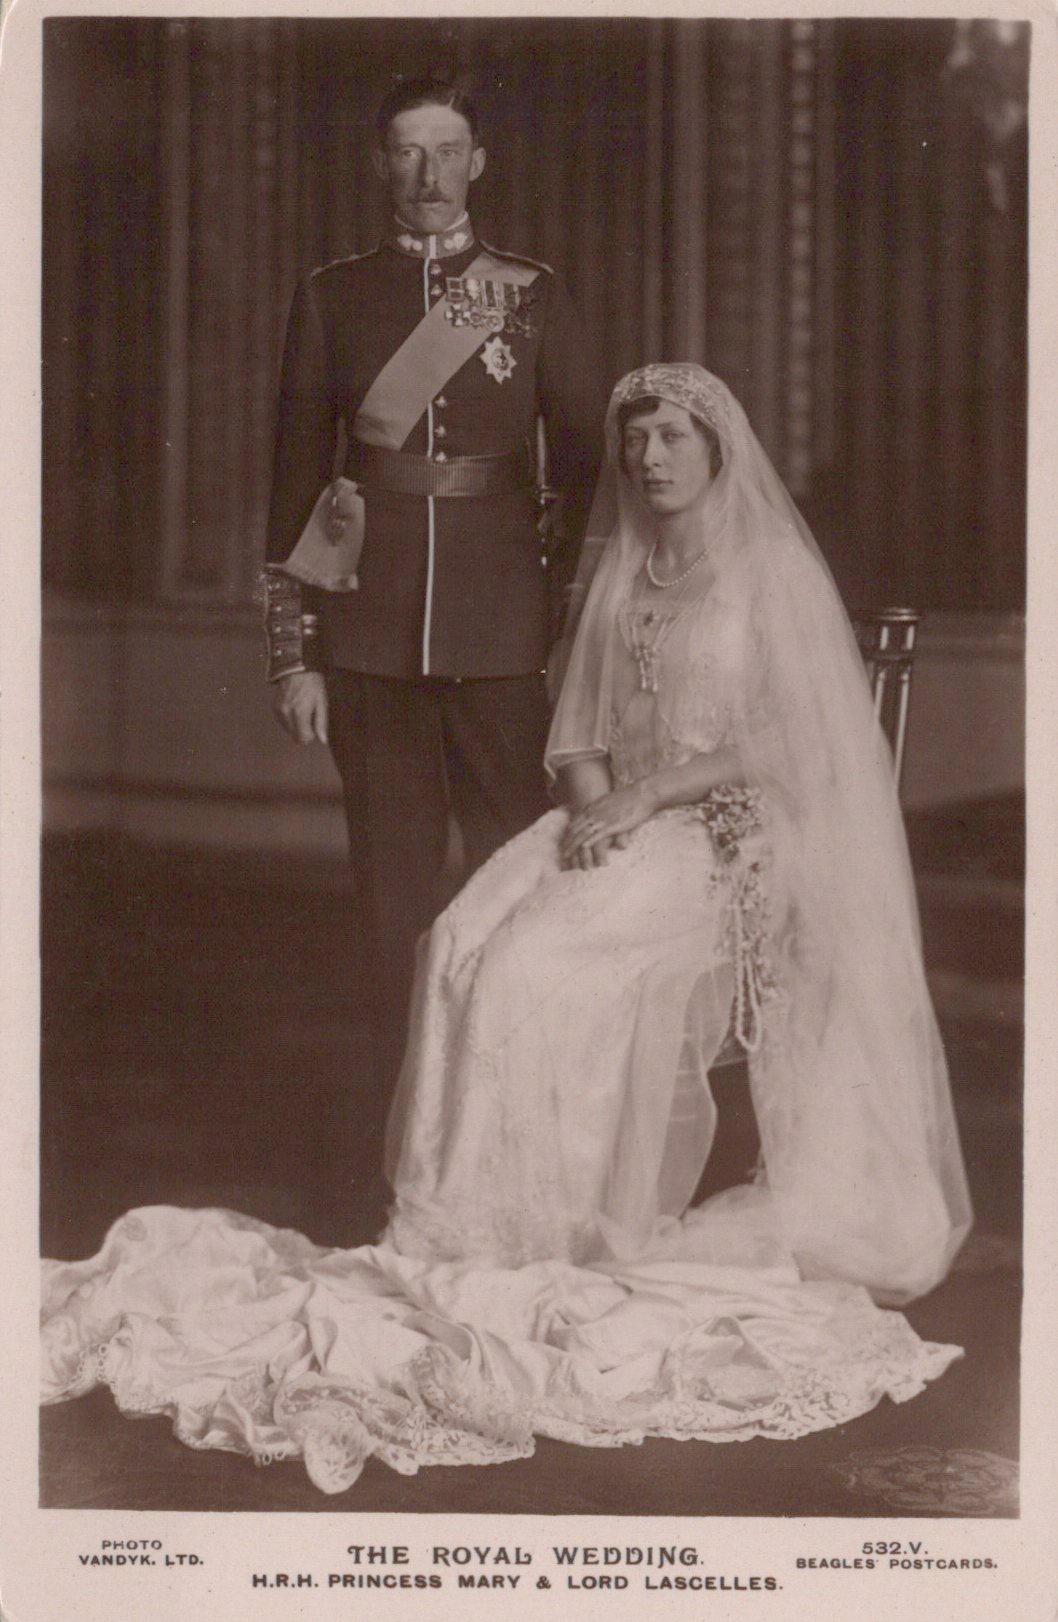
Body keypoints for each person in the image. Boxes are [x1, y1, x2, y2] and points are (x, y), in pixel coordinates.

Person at [42, 366, 971, 1496]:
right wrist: (589, 815)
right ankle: (454, 1225)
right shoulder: (624, 568)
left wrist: (646, 800)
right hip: (611, 827)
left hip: (734, 839)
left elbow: (790, 743)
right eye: (636, 442)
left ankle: (550, 1232)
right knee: (463, 939)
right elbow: (577, 734)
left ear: (716, 451)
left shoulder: (767, 572)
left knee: (547, 971)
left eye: (673, 438)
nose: (650, 460)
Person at [263, 77, 603, 1111]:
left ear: (477, 163)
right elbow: (290, 480)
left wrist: (556, 614)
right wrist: (295, 651)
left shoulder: (529, 291)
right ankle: (402, 1142)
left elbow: (585, 460)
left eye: (445, 151)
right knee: (391, 910)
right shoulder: (332, 293)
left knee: (520, 894)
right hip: (367, 637)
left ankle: (512, 1126)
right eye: (406, 152)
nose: (427, 174)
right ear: (380, 165)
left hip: (504, 636)